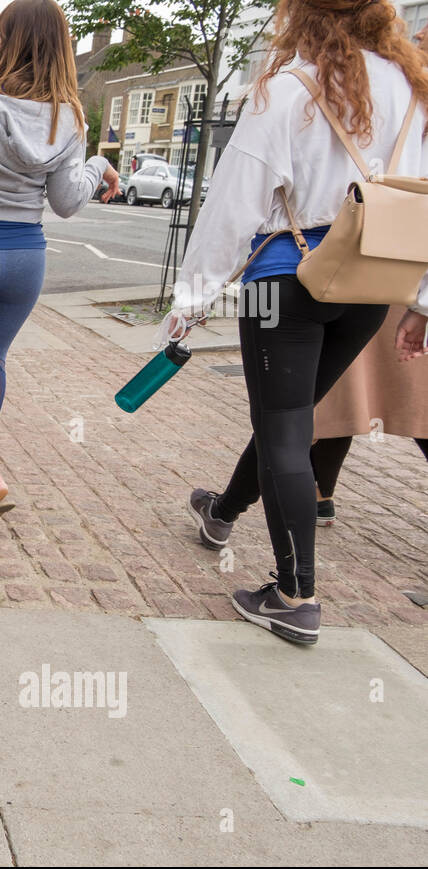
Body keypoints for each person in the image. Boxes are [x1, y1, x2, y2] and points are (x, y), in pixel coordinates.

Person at [172, 0, 428, 645]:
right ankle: (221, 512)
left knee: (285, 426)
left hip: (284, 279)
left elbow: (233, 206)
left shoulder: (289, 88)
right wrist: (423, 302)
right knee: (291, 416)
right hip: (372, 284)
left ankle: (294, 595)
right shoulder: (414, 90)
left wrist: (190, 302)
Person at [0, 0, 120, 527]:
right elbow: (65, 202)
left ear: (17, 41)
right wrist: (100, 163)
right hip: (25, 257)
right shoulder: (70, 115)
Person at [308, 18, 428, 527]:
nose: (417, 43)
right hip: (396, 258)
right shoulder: (410, 93)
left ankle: (303, 494)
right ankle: (317, 491)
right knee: (348, 383)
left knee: (366, 383)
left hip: (399, 260)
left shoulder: (407, 94)